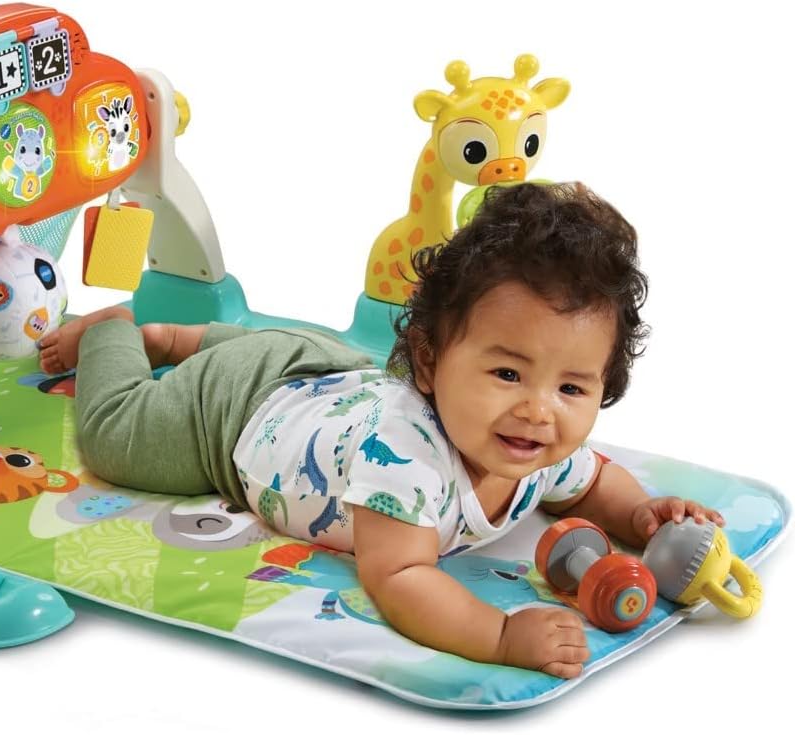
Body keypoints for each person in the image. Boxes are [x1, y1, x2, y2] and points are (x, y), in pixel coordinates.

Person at [37, 182, 724, 678]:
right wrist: (500, 635)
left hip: (328, 375)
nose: (539, 410)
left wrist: (641, 514)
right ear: (428, 361)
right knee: (119, 440)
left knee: (304, 355)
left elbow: (593, 481)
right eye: (507, 374)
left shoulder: (537, 445)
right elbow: (399, 575)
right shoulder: (404, 463)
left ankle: (180, 336)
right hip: (235, 415)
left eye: (571, 388)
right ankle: (118, 334)